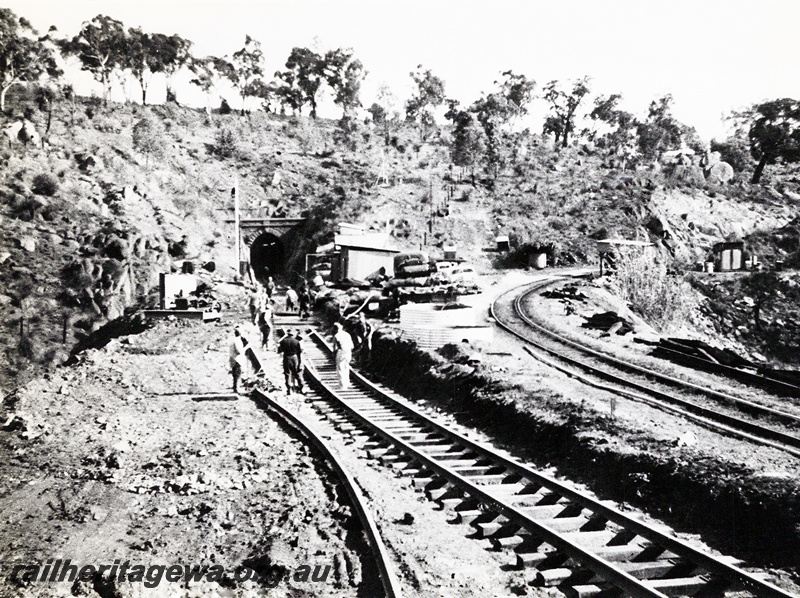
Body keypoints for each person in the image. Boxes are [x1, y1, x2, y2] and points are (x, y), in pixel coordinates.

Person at [277, 329, 304, 394]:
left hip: (286, 357)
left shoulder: (283, 341)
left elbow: (279, 351)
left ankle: (289, 389)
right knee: (298, 373)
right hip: (294, 357)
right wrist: (300, 362)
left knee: (287, 374)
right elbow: (300, 352)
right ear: (293, 335)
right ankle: (301, 388)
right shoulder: (296, 341)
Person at [332, 322, 354, 390]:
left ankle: (342, 386)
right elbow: (352, 346)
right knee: (346, 367)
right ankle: (347, 383)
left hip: (341, 351)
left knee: (340, 368)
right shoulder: (347, 334)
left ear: (335, 329)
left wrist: (334, 355)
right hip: (348, 352)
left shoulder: (336, 336)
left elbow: (335, 348)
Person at [229, 327, 247, 393]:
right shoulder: (238, 341)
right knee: (237, 374)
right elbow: (239, 351)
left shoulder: (232, 340)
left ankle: (235, 387)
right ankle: (237, 389)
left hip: (232, 359)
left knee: (235, 374)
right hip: (237, 360)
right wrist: (246, 347)